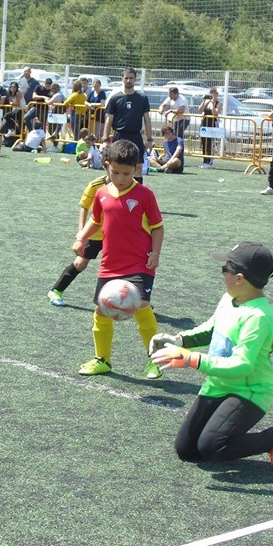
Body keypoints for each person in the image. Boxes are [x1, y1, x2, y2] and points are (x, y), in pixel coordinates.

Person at [149, 242, 273, 479]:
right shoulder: (229, 298)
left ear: (239, 278)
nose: (223, 275)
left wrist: (192, 360)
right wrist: (178, 340)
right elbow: (211, 328)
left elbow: (243, 365)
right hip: (218, 385)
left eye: (225, 270)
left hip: (249, 391)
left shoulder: (259, 317)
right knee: (186, 451)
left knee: (211, 447)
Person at [74, 139, 164, 379]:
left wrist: (155, 253)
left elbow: (157, 227)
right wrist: (81, 238)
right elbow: (95, 220)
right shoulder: (101, 194)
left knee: (142, 307)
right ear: (106, 166)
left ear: (136, 169)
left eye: (127, 173)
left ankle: (155, 360)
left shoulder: (145, 195)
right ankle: (102, 359)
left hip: (139, 263)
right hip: (110, 264)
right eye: (115, 172)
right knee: (101, 310)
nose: (121, 178)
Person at [48, 171, 109, 307]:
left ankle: (138, 301)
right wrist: (81, 234)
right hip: (95, 233)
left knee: (122, 266)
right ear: (107, 165)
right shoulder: (95, 185)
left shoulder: (130, 186)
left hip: (116, 235)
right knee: (80, 263)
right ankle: (56, 290)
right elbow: (84, 207)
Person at [102, 67, 153, 180]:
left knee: (137, 167)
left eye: (131, 78)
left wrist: (149, 139)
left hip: (136, 136)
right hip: (120, 136)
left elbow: (147, 119)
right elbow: (109, 120)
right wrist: (105, 139)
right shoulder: (115, 98)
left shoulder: (142, 98)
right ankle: (113, 195)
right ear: (122, 79)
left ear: (135, 79)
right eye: (126, 78)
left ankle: (138, 197)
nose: (129, 81)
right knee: (115, 167)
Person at [197, 89, 222, 168]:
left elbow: (215, 113)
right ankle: (205, 160)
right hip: (204, 123)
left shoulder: (219, 103)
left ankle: (209, 161)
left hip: (212, 124)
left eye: (214, 94)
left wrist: (213, 104)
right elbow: (200, 109)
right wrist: (205, 101)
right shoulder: (207, 102)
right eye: (211, 94)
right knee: (204, 142)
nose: (213, 96)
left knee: (210, 143)